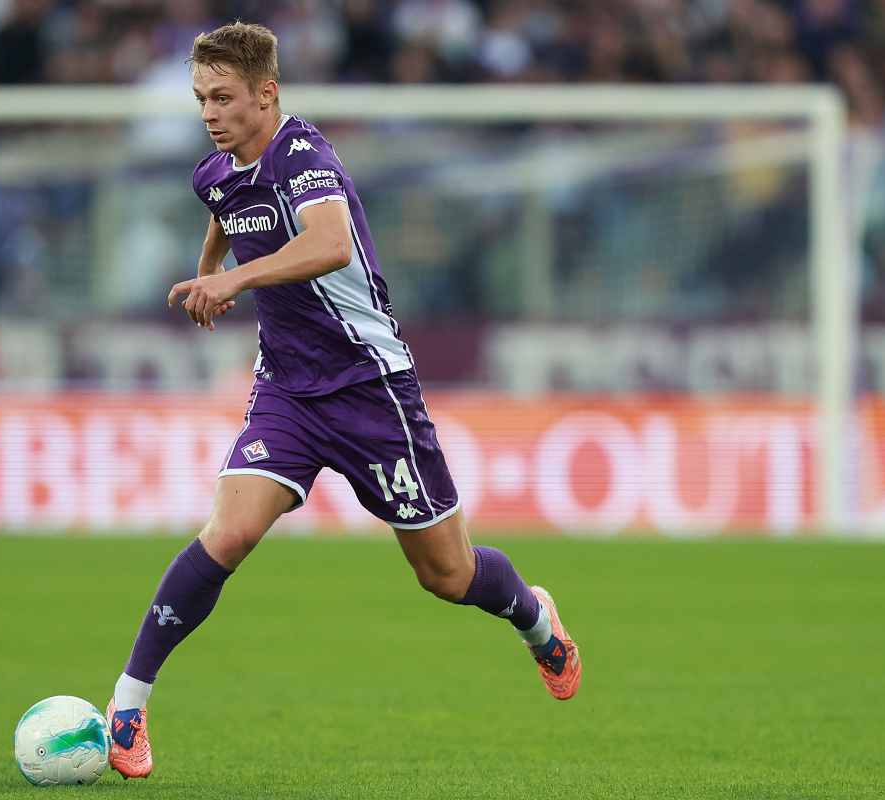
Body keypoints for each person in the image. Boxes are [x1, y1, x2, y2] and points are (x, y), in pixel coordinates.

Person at [104, 22, 582, 780]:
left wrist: (233, 280)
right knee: (227, 535)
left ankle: (534, 616)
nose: (209, 113)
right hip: (287, 391)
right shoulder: (216, 171)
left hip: (371, 390)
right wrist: (207, 271)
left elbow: (329, 244)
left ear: (267, 93)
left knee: (447, 576)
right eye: (201, 99)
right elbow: (225, 207)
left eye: (223, 97)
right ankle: (128, 704)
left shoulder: (305, 156)